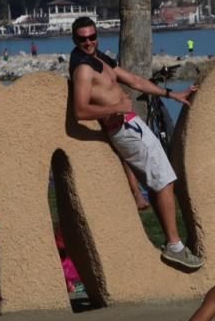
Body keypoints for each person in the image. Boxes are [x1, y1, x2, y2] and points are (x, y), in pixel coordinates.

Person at [69, 16, 203, 269]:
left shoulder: (100, 59)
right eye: (83, 39)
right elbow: (80, 111)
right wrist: (115, 106)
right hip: (122, 128)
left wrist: (172, 94)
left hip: (132, 123)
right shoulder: (83, 70)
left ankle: (173, 243)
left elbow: (135, 81)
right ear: (75, 40)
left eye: (92, 37)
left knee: (160, 180)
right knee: (163, 179)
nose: (88, 42)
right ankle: (174, 245)